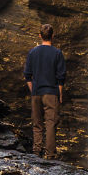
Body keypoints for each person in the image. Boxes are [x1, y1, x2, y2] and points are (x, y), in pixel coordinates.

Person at [23, 24, 66, 158]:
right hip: (51, 93)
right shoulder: (57, 53)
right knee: (50, 124)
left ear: (40, 36)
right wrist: (59, 94)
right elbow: (61, 77)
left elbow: (27, 75)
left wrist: (33, 90)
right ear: (52, 36)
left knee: (37, 124)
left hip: (36, 93)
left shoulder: (33, 52)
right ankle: (50, 155)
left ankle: (36, 152)